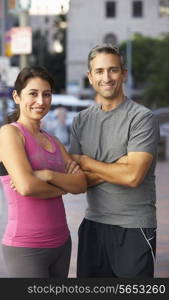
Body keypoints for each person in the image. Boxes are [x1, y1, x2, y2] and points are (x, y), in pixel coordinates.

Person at [69, 44, 160, 278]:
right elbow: (76, 182)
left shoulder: (142, 118)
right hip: (92, 226)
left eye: (113, 70)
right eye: (99, 71)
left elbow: (133, 177)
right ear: (90, 77)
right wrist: (118, 165)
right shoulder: (81, 121)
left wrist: (87, 162)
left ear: (124, 74)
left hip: (134, 227)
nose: (106, 77)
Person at [0, 66, 87, 278]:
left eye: (46, 94)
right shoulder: (10, 133)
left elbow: (81, 184)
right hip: (26, 247)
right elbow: (27, 187)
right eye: (33, 94)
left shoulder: (53, 140)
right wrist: (65, 186)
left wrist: (48, 175)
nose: (41, 101)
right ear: (17, 96)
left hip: (62, 243)